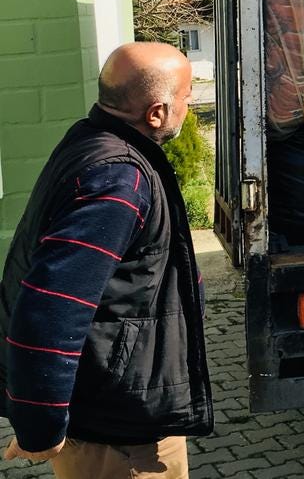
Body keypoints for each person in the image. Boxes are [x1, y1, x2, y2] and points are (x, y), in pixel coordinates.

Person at [0, 42, 213, 477]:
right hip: (117, 433)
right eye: (188, 98)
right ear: (156, 112)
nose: (189, 108)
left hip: (110, 415)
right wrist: (39, 427)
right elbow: (50, 308)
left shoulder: (91, 140)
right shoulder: (117, 178)